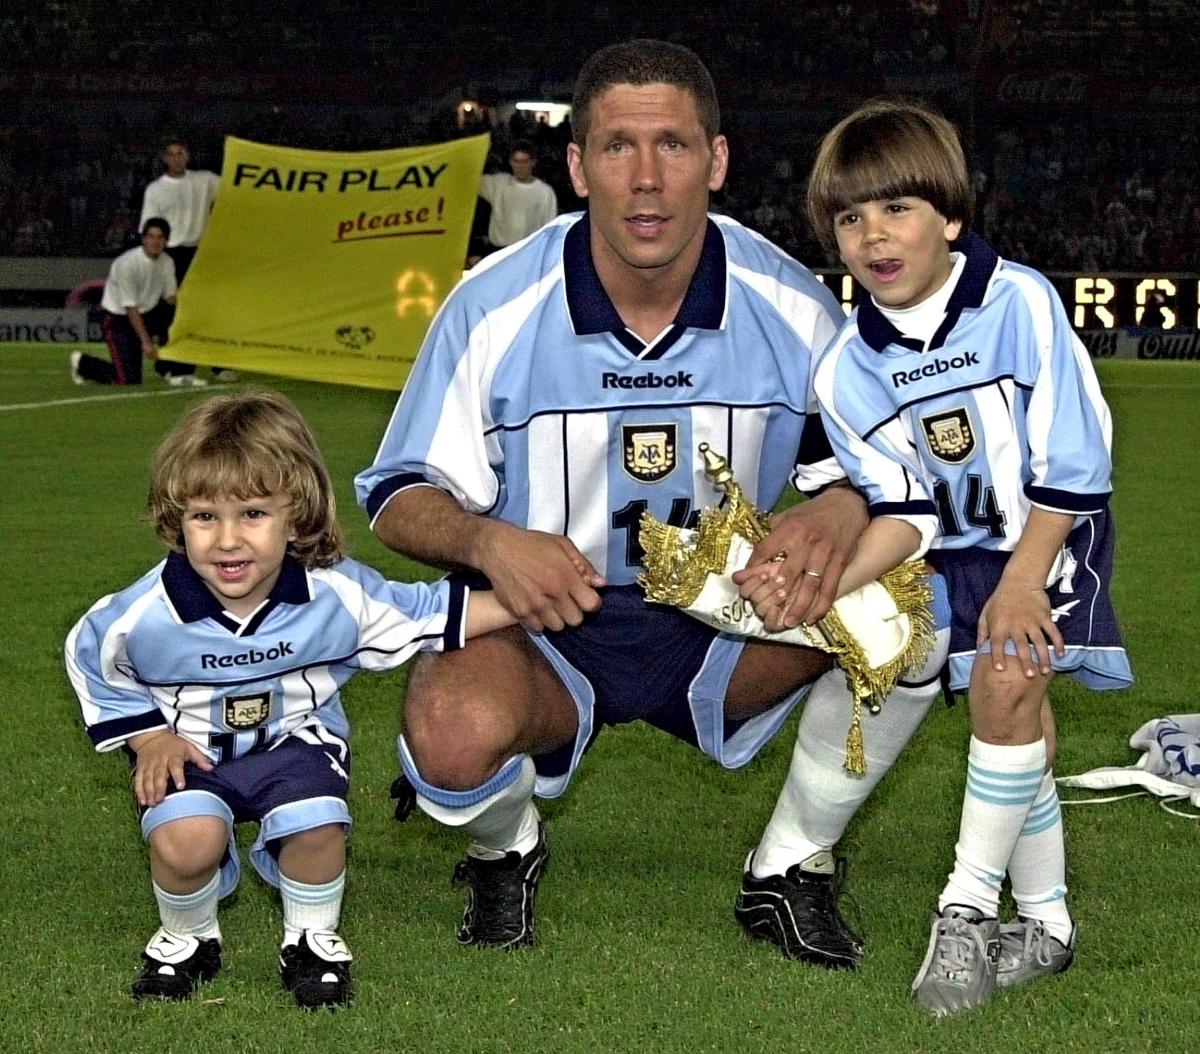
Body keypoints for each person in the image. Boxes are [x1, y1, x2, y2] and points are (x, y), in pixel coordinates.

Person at [354, 40, 948, 968]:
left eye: (672, 146)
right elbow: (395, 496)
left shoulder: (790, 306)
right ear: (578, 163)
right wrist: (490, 540)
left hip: (726, 617)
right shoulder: (492, 306)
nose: (645, 180)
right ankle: (504, 847)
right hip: (543, 623)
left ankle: (791, 864)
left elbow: (894, 478)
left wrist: (836, 511)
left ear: (716, 160)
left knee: (917, 618)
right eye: (618, 147)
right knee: (447, 732)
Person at [803, 99, 1134, 1015]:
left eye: (897, 208)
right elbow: (904, 511)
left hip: (1051, 531)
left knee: (1004, 683)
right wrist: (826, 583)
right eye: (850, 217)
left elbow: (1076, 459)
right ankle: (1050, 925)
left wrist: (1025, 579)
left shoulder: (1018, 299)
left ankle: (966, 912)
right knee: (1018, 725)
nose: (874, 235)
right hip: (959, 555)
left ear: (950, 216)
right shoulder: (845, 370)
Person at [64, 390, 530, 1007]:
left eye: (253, 513)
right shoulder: (143, 614)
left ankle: (311, 938)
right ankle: (188, 937)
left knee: (316, 827)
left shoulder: (334, 593)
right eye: (204, 517)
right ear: (177, 520)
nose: (227, 540)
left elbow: (427, 612)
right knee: (188, 840)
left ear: (297, 512)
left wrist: (530, 600)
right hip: (190, 747)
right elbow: (90, 654)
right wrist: (149, 737)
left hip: (295, 738)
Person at [139, 136, 231, 384]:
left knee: (208, 309)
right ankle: (172, 363)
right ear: (165, 158)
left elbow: (236, 186)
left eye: (181, 153)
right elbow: (150, 226)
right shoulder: (155, 189)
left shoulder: (205, 180)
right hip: (170, 253)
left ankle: (219, 365)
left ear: (188, 156)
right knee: (170, 311)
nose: (177, 158)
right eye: (172, 154)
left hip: (200, 253)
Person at [70, 217, 177, 386]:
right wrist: (146, 342)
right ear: (143, 239)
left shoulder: (167, 262)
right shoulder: (128, 264)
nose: (155, 241)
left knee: (172, 315)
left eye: (160, 237)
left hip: (148, 313)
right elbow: (130, 307)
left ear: (166, 241)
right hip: (120, 319)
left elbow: (171, 298)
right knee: (127, 379)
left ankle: (169, 368)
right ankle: (83, 363)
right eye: (151, 236)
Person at [477, 139, 559, 253]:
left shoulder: (545, 192)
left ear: (533, 162)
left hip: (527, 251)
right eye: (516, 161)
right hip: (497, 251)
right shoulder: (498, 183)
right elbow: (469, 180)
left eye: (524, 162)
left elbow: (549, 228)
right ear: (510, 162)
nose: (520, 166)